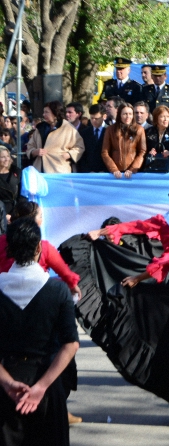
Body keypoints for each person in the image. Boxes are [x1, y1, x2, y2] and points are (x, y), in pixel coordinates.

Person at [0, 219, 79, 446]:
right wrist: (41, 387)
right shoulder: (57, 290)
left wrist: (6, 383)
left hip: (5, 383)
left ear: (10, 248)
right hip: (47, 382)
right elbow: (71, 344)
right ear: (39, 248)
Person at [24, 101, 84, 174]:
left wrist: (68, 155)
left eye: (46, 112)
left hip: (59, 171)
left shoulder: (68, 128)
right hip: (39, 171)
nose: (43, 114)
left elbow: (79, 147)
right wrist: (35, 152)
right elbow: (30, 145)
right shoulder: (40, 128)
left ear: (55, 113)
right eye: (43, 112)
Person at [101, 103, 146, 178]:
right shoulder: (110, 129)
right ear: (120, 115)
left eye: (130, 114)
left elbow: (142, 151)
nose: (128, 117)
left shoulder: (139, 130)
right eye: (125, 114)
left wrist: (132, 169)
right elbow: (105, 152)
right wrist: (114, 169)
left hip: (132, 173)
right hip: (115, 173)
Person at [144, 104, 169, 172]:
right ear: (156, 118)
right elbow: (141, 150)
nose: (165, 119)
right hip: (151, 168)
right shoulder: (147, 132)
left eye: (168, 117)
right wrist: (149, 153)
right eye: (162, 116)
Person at [77, 104, 107, 173]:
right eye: (91, 118)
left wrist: (105, 170)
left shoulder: (110, 131)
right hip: (89, 173)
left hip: (105, 173)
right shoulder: (84, 132)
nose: (93, 121)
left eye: (96, 118)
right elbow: (83, 155)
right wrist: (88, 171)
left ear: (104, 116)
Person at [0, 146, 19, 217]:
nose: (6, 159)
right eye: (3, 157)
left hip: (15, 211)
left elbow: (21, 196)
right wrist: (4, 215)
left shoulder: (16, 172)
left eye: (8, 156)